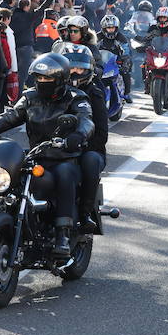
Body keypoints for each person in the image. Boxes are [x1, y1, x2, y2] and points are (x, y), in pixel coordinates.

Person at [0, 53, 94, 255]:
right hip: (36, 157)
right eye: (39, 78)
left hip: (64, 157)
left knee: (65, 174)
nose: (42, 82)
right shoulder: (30, 98)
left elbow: (86, 120)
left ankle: (63, 234)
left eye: (48, 78)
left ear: (60, 79)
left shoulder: (76, 98)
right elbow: (11, 116)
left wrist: (78, 135)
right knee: (4, 173)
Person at [59, 43, 108, 234]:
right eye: (71, 67)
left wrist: (81, 145)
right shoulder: (53, 90)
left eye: (80, 68)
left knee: (90, 162)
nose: (75, 72)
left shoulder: (94, 92)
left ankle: (85, 214)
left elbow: (102, 132)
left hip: (88, 148)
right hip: (54, 147)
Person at [98, 14, 133, 102]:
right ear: (103, 28)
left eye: (112, 28)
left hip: (117, 61)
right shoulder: (97, 37)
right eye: (108, 28)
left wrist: (125, 59)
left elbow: (126, 50)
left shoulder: (121, 38)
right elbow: (92, 48)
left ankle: (127, 93)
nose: (110, 30)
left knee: (126, 72)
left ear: (116, 28)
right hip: (101, 61)